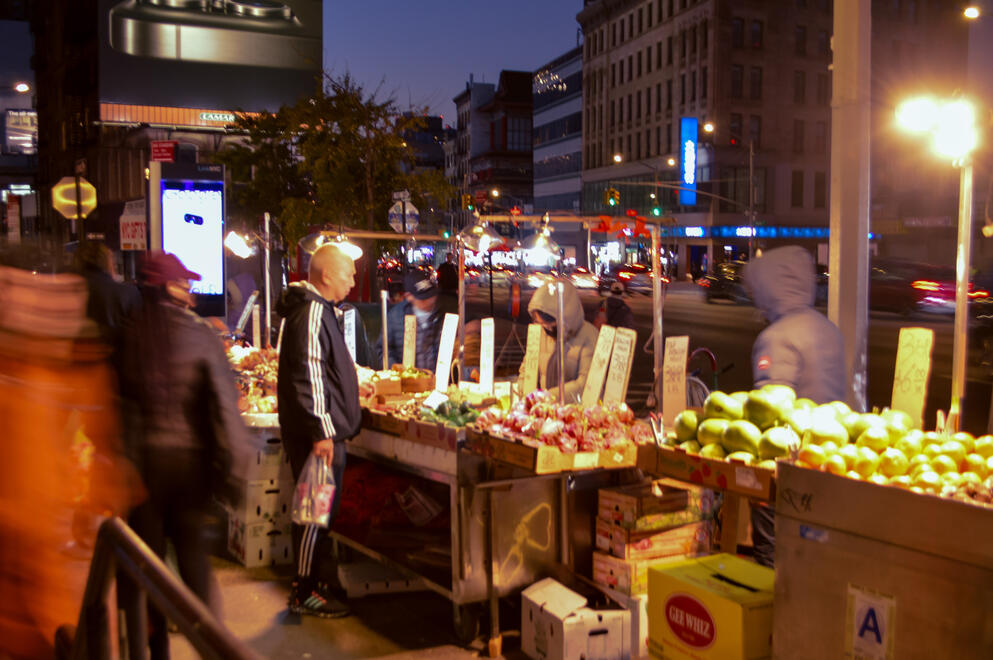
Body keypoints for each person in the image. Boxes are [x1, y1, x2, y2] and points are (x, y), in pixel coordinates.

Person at [118, 253, 250, 660]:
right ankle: (209, 645)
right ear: (171, 288)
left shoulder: (128, 334)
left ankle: (154, 651)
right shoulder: (199, 334)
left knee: (147, 569)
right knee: (194, 563)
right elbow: (225, 408)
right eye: (184, 284)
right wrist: (237, 467)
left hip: (140, 471)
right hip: (189, 469)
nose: (190, 291)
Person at [743, 245, 845, 568]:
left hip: (790, 469)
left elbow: (772, 407)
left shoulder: (776, 337)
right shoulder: (828, 328)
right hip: (831, 460)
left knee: (775, 555)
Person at [277, 244, 362, 618]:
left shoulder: (316, 310)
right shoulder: (312, 311)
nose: (353, 280)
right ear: (326, 275)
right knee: (315, 510)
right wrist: (322, 430)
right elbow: (308, 374)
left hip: (316, 432)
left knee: (317, 510)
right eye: (348, 274)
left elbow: (321, 370)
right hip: (317, 437)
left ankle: (311, 580)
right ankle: (304, 590)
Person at [519, 278, 598, 402]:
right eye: (541, 323)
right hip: (544, 411)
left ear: (565, 317)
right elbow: (527, 370)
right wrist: (526, 396)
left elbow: (587, 384)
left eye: (551, 324)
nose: (547, 328)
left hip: (575, 413)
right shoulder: (539, 333)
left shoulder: (589, 335)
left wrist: (549, 397)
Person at [378, 268, 457, 371]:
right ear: (409, 296)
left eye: (431, 295)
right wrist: (394, 368)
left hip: (440, 381)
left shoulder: (447, 312)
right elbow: (383, 349)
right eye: (424, 298)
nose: (430, 301)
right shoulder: (395, 316)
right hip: (407, 380)